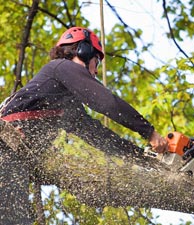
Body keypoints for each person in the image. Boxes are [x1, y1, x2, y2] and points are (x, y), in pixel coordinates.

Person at [0, 26, 168, 224]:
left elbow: (100, 137)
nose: (96, 71)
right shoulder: (61, 67)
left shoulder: (66, 105)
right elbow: (106, 102)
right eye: (96, 62)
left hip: (12, 159)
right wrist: (149, 132)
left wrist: (145, 159)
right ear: (83, 51)